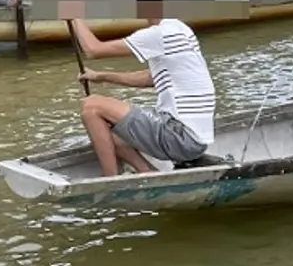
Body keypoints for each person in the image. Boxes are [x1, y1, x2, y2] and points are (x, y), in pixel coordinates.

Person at [68, 17, 216, 176]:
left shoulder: (159, 34)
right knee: (108, 124)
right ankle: (146, 172)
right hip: (195, 140)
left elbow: (93, 49)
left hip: (179, 136)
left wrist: (74, 16)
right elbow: (151, 78)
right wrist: (101, 76)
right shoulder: (181, 29)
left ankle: (110, 180)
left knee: (91, 106)